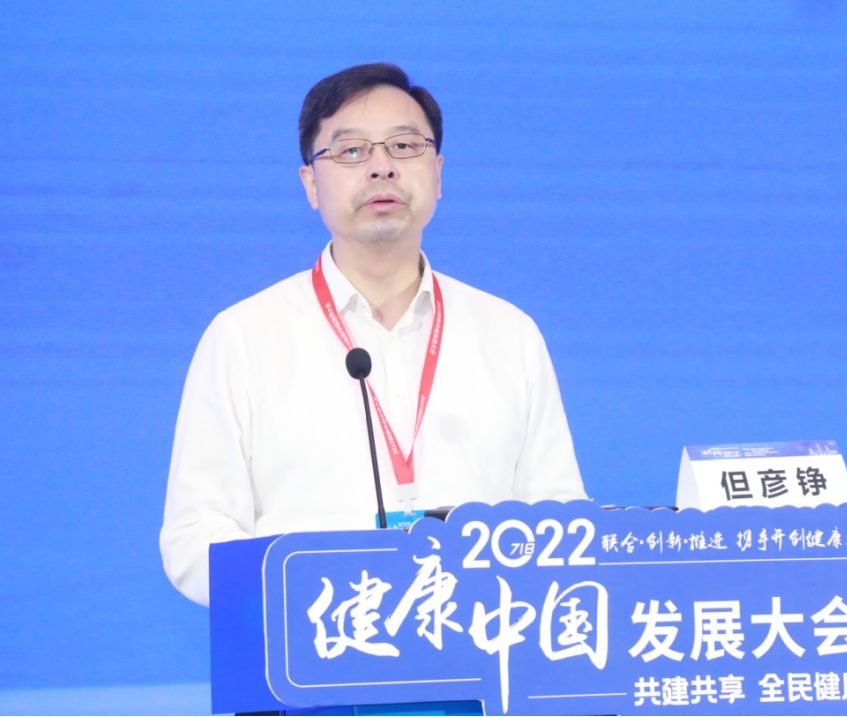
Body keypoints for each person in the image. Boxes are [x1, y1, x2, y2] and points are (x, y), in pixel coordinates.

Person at [160, 63, 588, 606]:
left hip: (482, 645)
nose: (382, 166)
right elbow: (194, 537)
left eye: (404, 146)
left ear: (438, 173)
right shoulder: (243, 337)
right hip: (315, 645)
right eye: (352, 151)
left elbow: (560, 520)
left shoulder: (509, 334)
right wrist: (318, 596)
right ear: (310, 184)